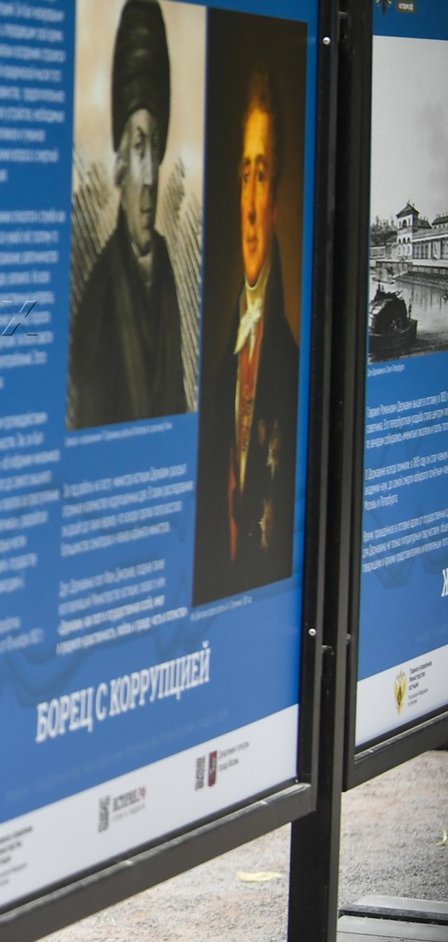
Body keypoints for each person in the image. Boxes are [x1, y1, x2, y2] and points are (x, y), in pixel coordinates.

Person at [194, 71, 298, 602]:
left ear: (277, 199)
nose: (251, 206)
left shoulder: (290, 366)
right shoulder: (218, 374)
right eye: (243, 176)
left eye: (262, 176)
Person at [68, 0, 189, 429]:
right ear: (119, 162)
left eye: (154, 146)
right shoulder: (99, 301)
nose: (150, 175)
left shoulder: (167, 273)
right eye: (138, 146)